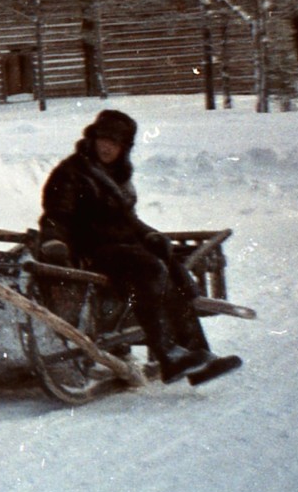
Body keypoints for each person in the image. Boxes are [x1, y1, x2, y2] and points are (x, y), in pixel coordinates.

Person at [39, 109, 242, 386]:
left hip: (121, 248)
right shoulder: (72, 172)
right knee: (149, 268)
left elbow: (128, 220)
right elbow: (55, 215)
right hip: (89, 250)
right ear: (93, 138)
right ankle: (168, 355)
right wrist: (53, 241)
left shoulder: (117, 174)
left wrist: (150, 236)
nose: (107, 146)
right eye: (103, 139)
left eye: (115, 142)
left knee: (169, 266)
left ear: (124, 147)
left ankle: (198, 354)